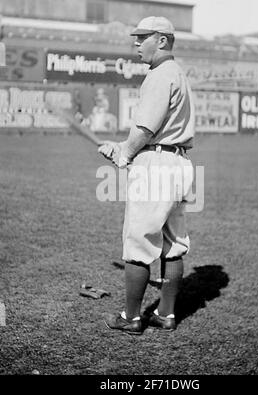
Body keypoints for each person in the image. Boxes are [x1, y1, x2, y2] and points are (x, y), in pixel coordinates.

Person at [98, 16, 195, 335]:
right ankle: (166, 314)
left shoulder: (158, 75)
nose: (136, 43)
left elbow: (145, 128)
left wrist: (125, 152)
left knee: (139, 242)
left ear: (163, 40)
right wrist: (122, 147)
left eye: (143, 37)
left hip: (157, 164)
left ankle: (131, 317)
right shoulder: (178, 73)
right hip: (180, 163)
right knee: (174, 243)